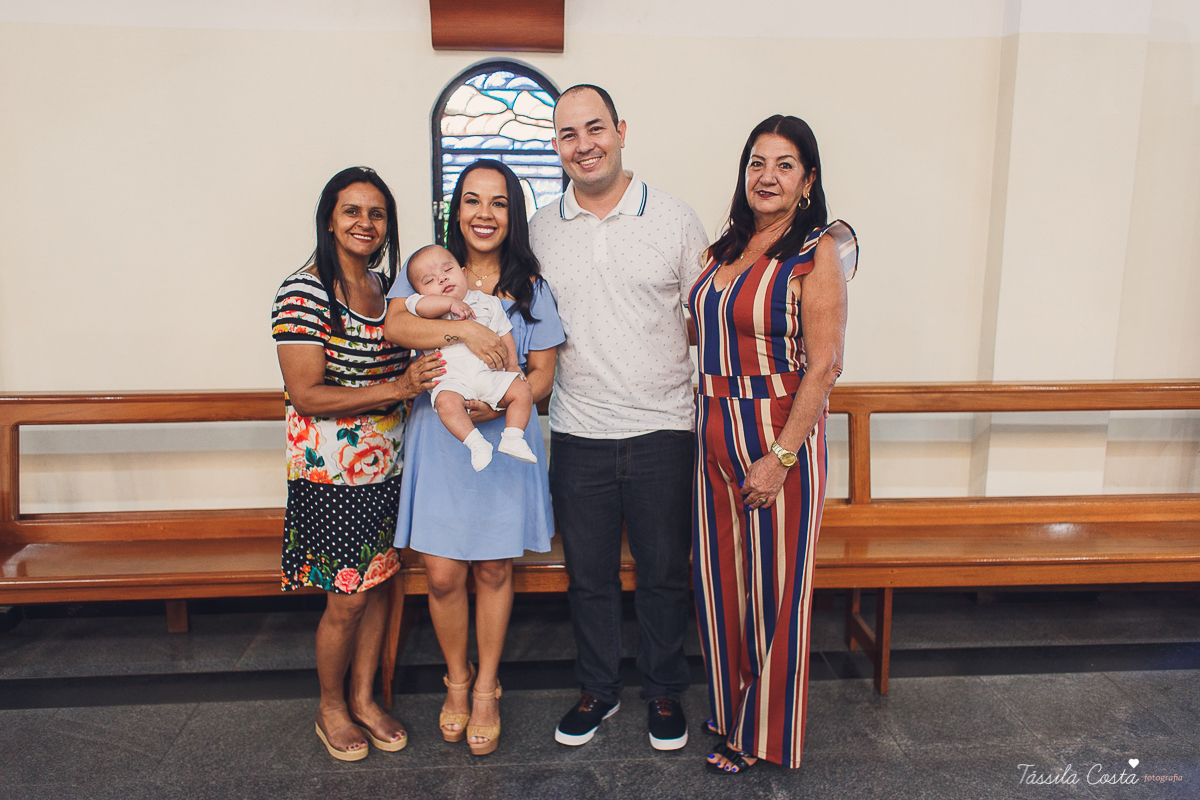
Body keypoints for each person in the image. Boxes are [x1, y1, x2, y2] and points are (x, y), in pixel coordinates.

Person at [529, 85, 709, 751]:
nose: (585, 144)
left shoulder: (674, 218)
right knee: (591, 578)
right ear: (557, 145)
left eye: (595, 128)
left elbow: (709, 316)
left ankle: (664, 693)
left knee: (665, 572)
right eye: (569, 134)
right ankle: (599, 691)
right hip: (577, 431)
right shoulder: (541, 228)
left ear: (621, 130)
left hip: (664, 427)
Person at [689, 116, 858, 774]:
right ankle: (733, 705)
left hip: (774, 434)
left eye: (785, 165)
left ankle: (760, 733)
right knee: (722, 584)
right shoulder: (722, 248)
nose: (767, 175)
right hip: (711, 429)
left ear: (807, 180)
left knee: (777, 591)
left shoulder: (815, 251)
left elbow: (825, 366)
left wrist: (782, 456)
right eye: (757, 162)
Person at [384, 159, 564, 756]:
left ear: (513, 213)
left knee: (491, 568)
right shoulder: (428, 277)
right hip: (442, 438)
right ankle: (453, 680)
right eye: (471, 200)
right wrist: (465, 333)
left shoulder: (532, 288)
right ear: (454, 210)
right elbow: (396, 329)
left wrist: (501, 402)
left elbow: (541, 374)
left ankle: (485, 686)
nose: (483, 214)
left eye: (498, 202)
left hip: (503, 437)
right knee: (441, 573)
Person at [271, 167, 446, 762]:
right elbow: (307, 394)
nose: (365, 224)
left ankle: (367, 700)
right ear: (329, 218)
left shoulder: (383, 287)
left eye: (376, 214)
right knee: (346, 596)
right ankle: (331, 707)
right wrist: (397, 387)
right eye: (352, 212)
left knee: (378, 588)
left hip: (390, 466)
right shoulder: (304, 291)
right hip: (332, 474)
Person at [403, 244, 538, 471]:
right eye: (429, 281)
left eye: (448, 271)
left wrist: (513, 365)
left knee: (523, 390)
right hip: (451, 380)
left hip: (487, 374)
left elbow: (504, 334)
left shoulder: (489, 302)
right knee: (445, 402)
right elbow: (421, 306)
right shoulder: (423, 305)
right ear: (418, 290)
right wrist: (450, 304)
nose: (442, 280)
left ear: (464, 273)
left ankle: (513, 438)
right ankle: (476, 444)